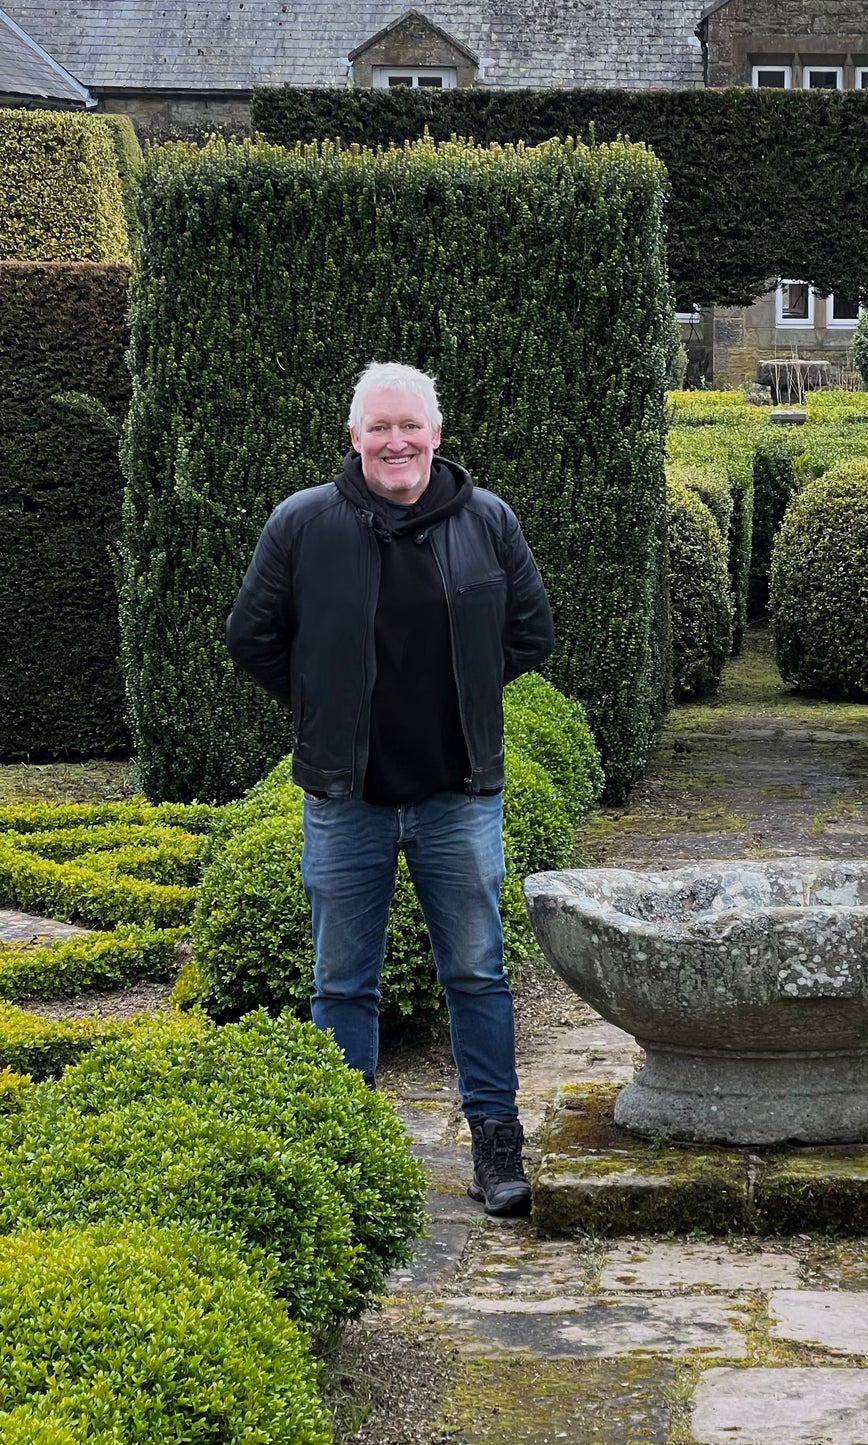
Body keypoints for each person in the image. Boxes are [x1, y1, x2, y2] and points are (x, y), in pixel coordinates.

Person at [226, 361, 554, 1217]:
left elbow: (530, 630)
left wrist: (469, 695)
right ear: (355, 438)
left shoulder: (487, 522)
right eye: (379, 427)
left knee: (478, 973)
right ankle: (350, 1154)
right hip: (345, 798)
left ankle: (496, 1145)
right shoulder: (303, 524)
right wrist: (321, 705)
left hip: (459, 794)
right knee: (341, 982)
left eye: (410, 426)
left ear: (438, 435)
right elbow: (251, 636)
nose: (396, 441)